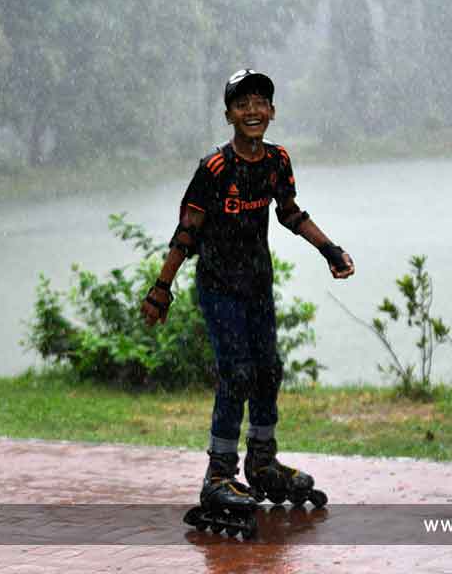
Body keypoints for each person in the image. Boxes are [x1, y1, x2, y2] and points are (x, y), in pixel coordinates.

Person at [142, 69, 355, 537]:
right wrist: (162, 288)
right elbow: (187, 231)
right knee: (236, 372)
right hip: (219, 285)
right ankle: (218, 475)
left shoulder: (277, 160)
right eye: (243, 104)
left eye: (261, 102)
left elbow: (290, 213)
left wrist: (330, 250)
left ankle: (262, 462)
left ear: (272, 111)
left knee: (268, 369)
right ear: (229, 115)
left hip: (257, 283)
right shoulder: (214, 169)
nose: (253, 110)